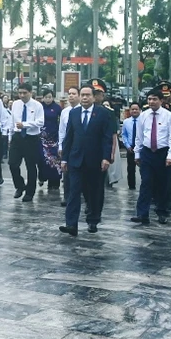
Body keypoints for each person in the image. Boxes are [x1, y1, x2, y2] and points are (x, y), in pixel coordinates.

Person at [59, 85, 115, 235]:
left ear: (93, 97)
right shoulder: (74, 113)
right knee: (73, 192)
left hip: (95, 160)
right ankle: (71, 224)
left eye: (87, 95)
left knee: (94, 192)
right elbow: (68, 137)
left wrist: (106, 157)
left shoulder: (103, 113)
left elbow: (107, 138)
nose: (84, 98)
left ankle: (93, 220)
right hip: (76, 160)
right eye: (82, 95)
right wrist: (64, 159)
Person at [132, 89, 171, 225]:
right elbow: (139, 136)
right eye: (149, 99)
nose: (151, 102)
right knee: (146, 182)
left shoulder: (168, 116)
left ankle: (162, 212)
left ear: (161, 100)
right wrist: (137, 153)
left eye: (154, 99)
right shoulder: (143, 115)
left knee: (163, 183)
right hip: (147, 153)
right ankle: (142, 214)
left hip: (162, 153)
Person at [9, 83, 45, 201]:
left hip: (31, 137)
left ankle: (30, 192)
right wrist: (10, 136)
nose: (22, 95)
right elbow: (12, 120)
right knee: (13, 163)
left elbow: (40, 122)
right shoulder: (15, 104)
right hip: (17, 137)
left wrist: (25, 125)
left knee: (31, 166)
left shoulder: (37, 105)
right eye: (20, 93)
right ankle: (19, 185)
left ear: (30, 93)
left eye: (25, 93)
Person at [58, 86, 80, 207]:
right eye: (69, 93)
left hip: (80, 145)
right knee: (66, 173)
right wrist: (60, 146)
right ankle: (67, 197)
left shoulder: (82, 110)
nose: (71, 96)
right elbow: (62, 131)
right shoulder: (65, 112)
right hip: (68, 145)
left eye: (74, 93)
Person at [38, 89, 62, 191]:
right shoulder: (39, 107)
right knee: (42, 160)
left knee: (55, 161)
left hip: (54, 138)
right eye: (46, 97)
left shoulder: (57, 108)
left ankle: (54, 182)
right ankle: (42, 177)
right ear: (43, 97)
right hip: (41, 138)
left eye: (50, 97)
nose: (48, 99)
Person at [122, 102, 142, 190]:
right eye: (132, 109)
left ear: (140, 110)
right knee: (130, 169)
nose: (134, 111)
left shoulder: (143, 121)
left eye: (136, 109)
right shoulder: (126, 122)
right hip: (130, 148)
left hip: (141, 148)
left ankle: (144, 186)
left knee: (143, 168)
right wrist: (127, 145)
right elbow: (124, 135)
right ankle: (131, 186)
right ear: (129, 110)